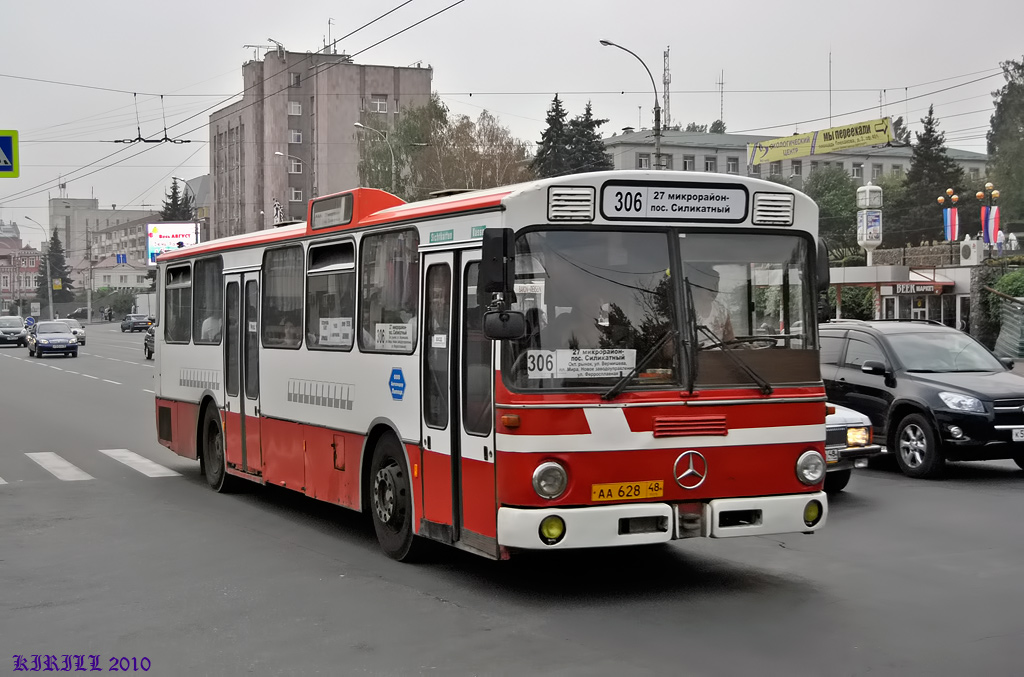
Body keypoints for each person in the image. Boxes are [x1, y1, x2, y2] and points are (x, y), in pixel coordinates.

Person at [685, 262, 735, 345]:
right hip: (692, 357)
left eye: (716, 285)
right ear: (696, 286)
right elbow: (669, 349)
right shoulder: (683, 311)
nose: (714, 289)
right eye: (709, 285)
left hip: (719, 357)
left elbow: (730, 342)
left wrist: (743, 346)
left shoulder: (721, 311)